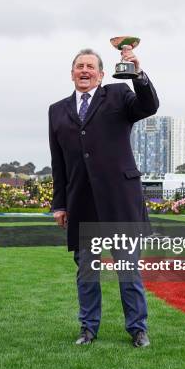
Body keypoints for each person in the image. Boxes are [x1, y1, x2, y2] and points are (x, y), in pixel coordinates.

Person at [48, 47, 159, 347]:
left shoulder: (118, 95)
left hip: (119, 201)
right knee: (86, 271)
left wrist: (138, 73)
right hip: (81, 203)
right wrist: (59, 204)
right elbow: (58, 161)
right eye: (79, 66)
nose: (84, 71)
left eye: (90, 67)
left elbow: (148, 106)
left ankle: (138, 329)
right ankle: (88, 329)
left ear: (101, 73)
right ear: (72, 73)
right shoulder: (56, 110)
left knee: (127, 270)